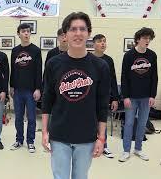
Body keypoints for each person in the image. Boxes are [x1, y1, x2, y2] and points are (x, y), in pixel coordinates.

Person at [41, 12, 110, 179]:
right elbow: (47, 100)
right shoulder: (53, 64)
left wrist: (101, 138)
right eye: (73, 29)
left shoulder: (100, 66)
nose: (78, 33)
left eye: (82, 29)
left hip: (86, 136)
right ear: (65, 35)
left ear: (88, 33)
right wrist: (44, 131)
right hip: (59, 135)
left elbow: (102, 105)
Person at [119, 27, 158, 162]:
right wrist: (126, 96)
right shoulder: (129, 55)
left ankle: (138, 149)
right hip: (131, 97)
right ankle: (126, 150)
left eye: (149, 38)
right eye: (145, 38)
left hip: (146, 97)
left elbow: (155, 77)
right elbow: (124, 77)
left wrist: (153, 95)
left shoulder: (152, 55)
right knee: (129, 123)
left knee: (142, 124)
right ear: (138, 39)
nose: (147, 41)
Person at [10, 23, 42, 153]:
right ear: (18, 34)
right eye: (23, 31)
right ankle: (19, 140)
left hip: (31, 91)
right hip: (17, 90)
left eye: (28, 31)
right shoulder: (15, 51)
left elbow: (39, 71)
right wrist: (11, 86)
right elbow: (13, 70)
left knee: (32, 118)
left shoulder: (36, 50)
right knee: (18, 117)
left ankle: (30, 141)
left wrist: (38, 89)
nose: (26, 33)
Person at [92, 34, 119, 158]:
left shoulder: (109, 60)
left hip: (104, 97)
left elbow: (113, 80)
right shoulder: (89, 59)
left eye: (104, 41)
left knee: (102, 120)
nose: (103, 43)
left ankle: (104, 146)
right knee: (91, 121)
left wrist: (115, 98)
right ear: (94, 44)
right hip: (90, 96)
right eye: (99, 41)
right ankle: (91, 146)